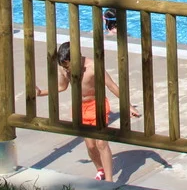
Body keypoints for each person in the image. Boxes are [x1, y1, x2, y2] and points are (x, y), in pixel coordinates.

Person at [36, 41, 140, 182]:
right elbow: (61, 87)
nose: (66, 70)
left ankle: (109, 181)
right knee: (91, 146)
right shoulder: (64, 69)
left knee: (101, 143)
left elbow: (112, 86)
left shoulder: (93, 67)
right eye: (64, 67)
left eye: (68, 66)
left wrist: (128, 106)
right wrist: (41, 92)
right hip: (80, 108)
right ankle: (100, 169)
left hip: (97, 105)